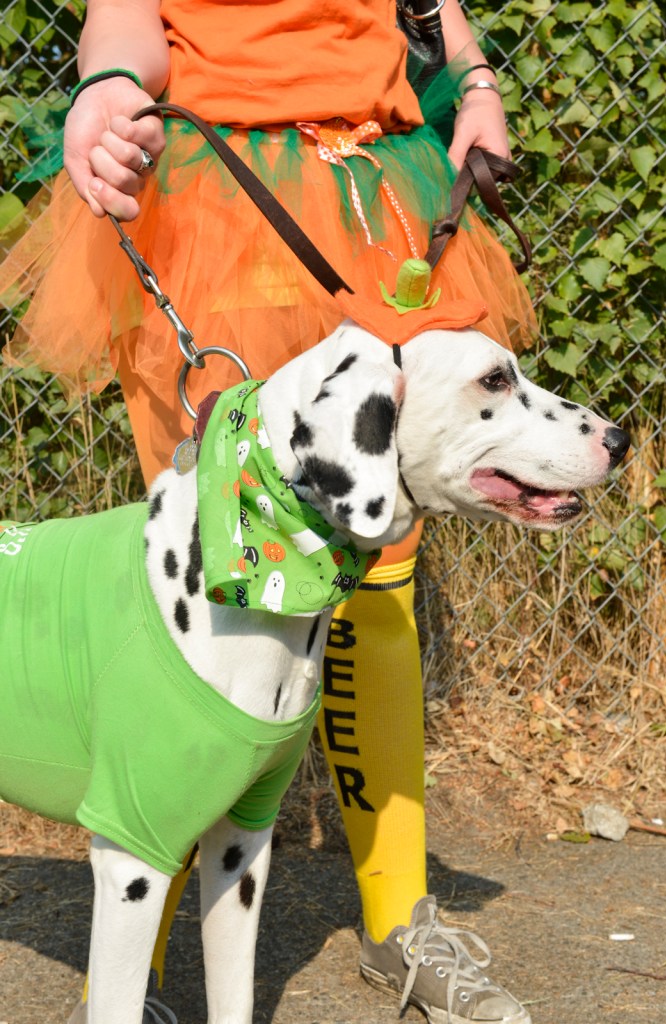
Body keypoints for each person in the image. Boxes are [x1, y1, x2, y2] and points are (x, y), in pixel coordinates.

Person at [0, 2, 536, 1022]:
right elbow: (125, 21)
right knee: (204, 577)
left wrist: (468, 78)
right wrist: (110, 87)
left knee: (378, 574)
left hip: (383, 200)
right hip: (224, 206)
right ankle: (137, 973)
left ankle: (399, 920)